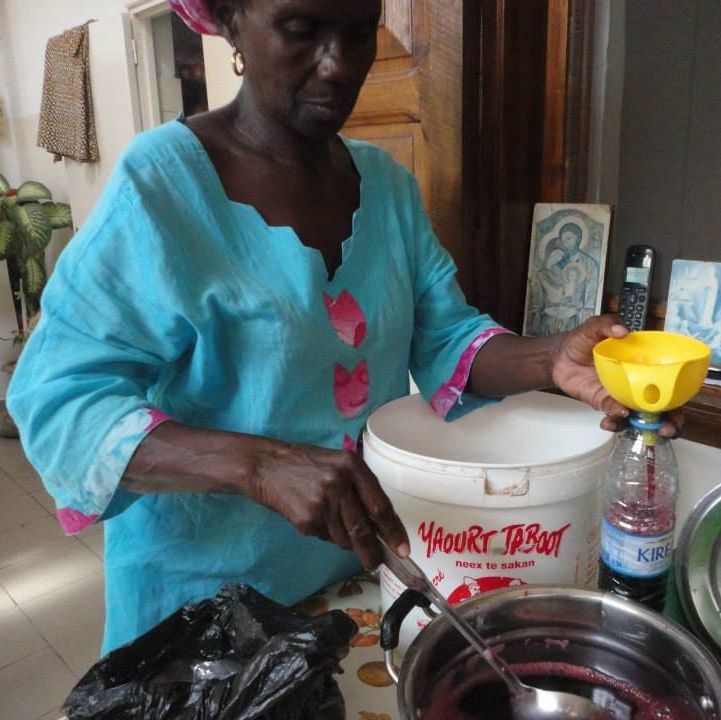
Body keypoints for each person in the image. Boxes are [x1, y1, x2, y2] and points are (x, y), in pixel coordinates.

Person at [6, 0, 679, 656]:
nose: (336, 66)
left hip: (349, 585)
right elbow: (59, 399)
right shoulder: (162, 189)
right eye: (301, 29)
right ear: (231, 19)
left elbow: (443, 333)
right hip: (203, 613)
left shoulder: (385, 186)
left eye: (359, 34)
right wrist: (259, 465)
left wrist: (551, 358)